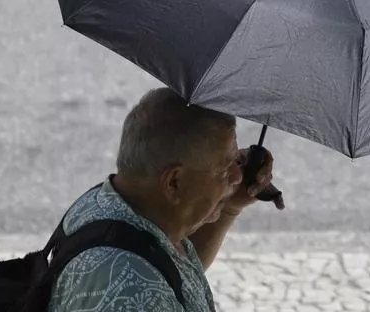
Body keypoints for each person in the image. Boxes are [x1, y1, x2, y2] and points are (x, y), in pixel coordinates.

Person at [48, 87, 284, 311]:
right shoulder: (134, 296)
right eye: (224, 170)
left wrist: (229, 205)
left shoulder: (118, 203)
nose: (237, 176)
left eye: (236, 161)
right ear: (174, 183)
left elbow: (176, 277)